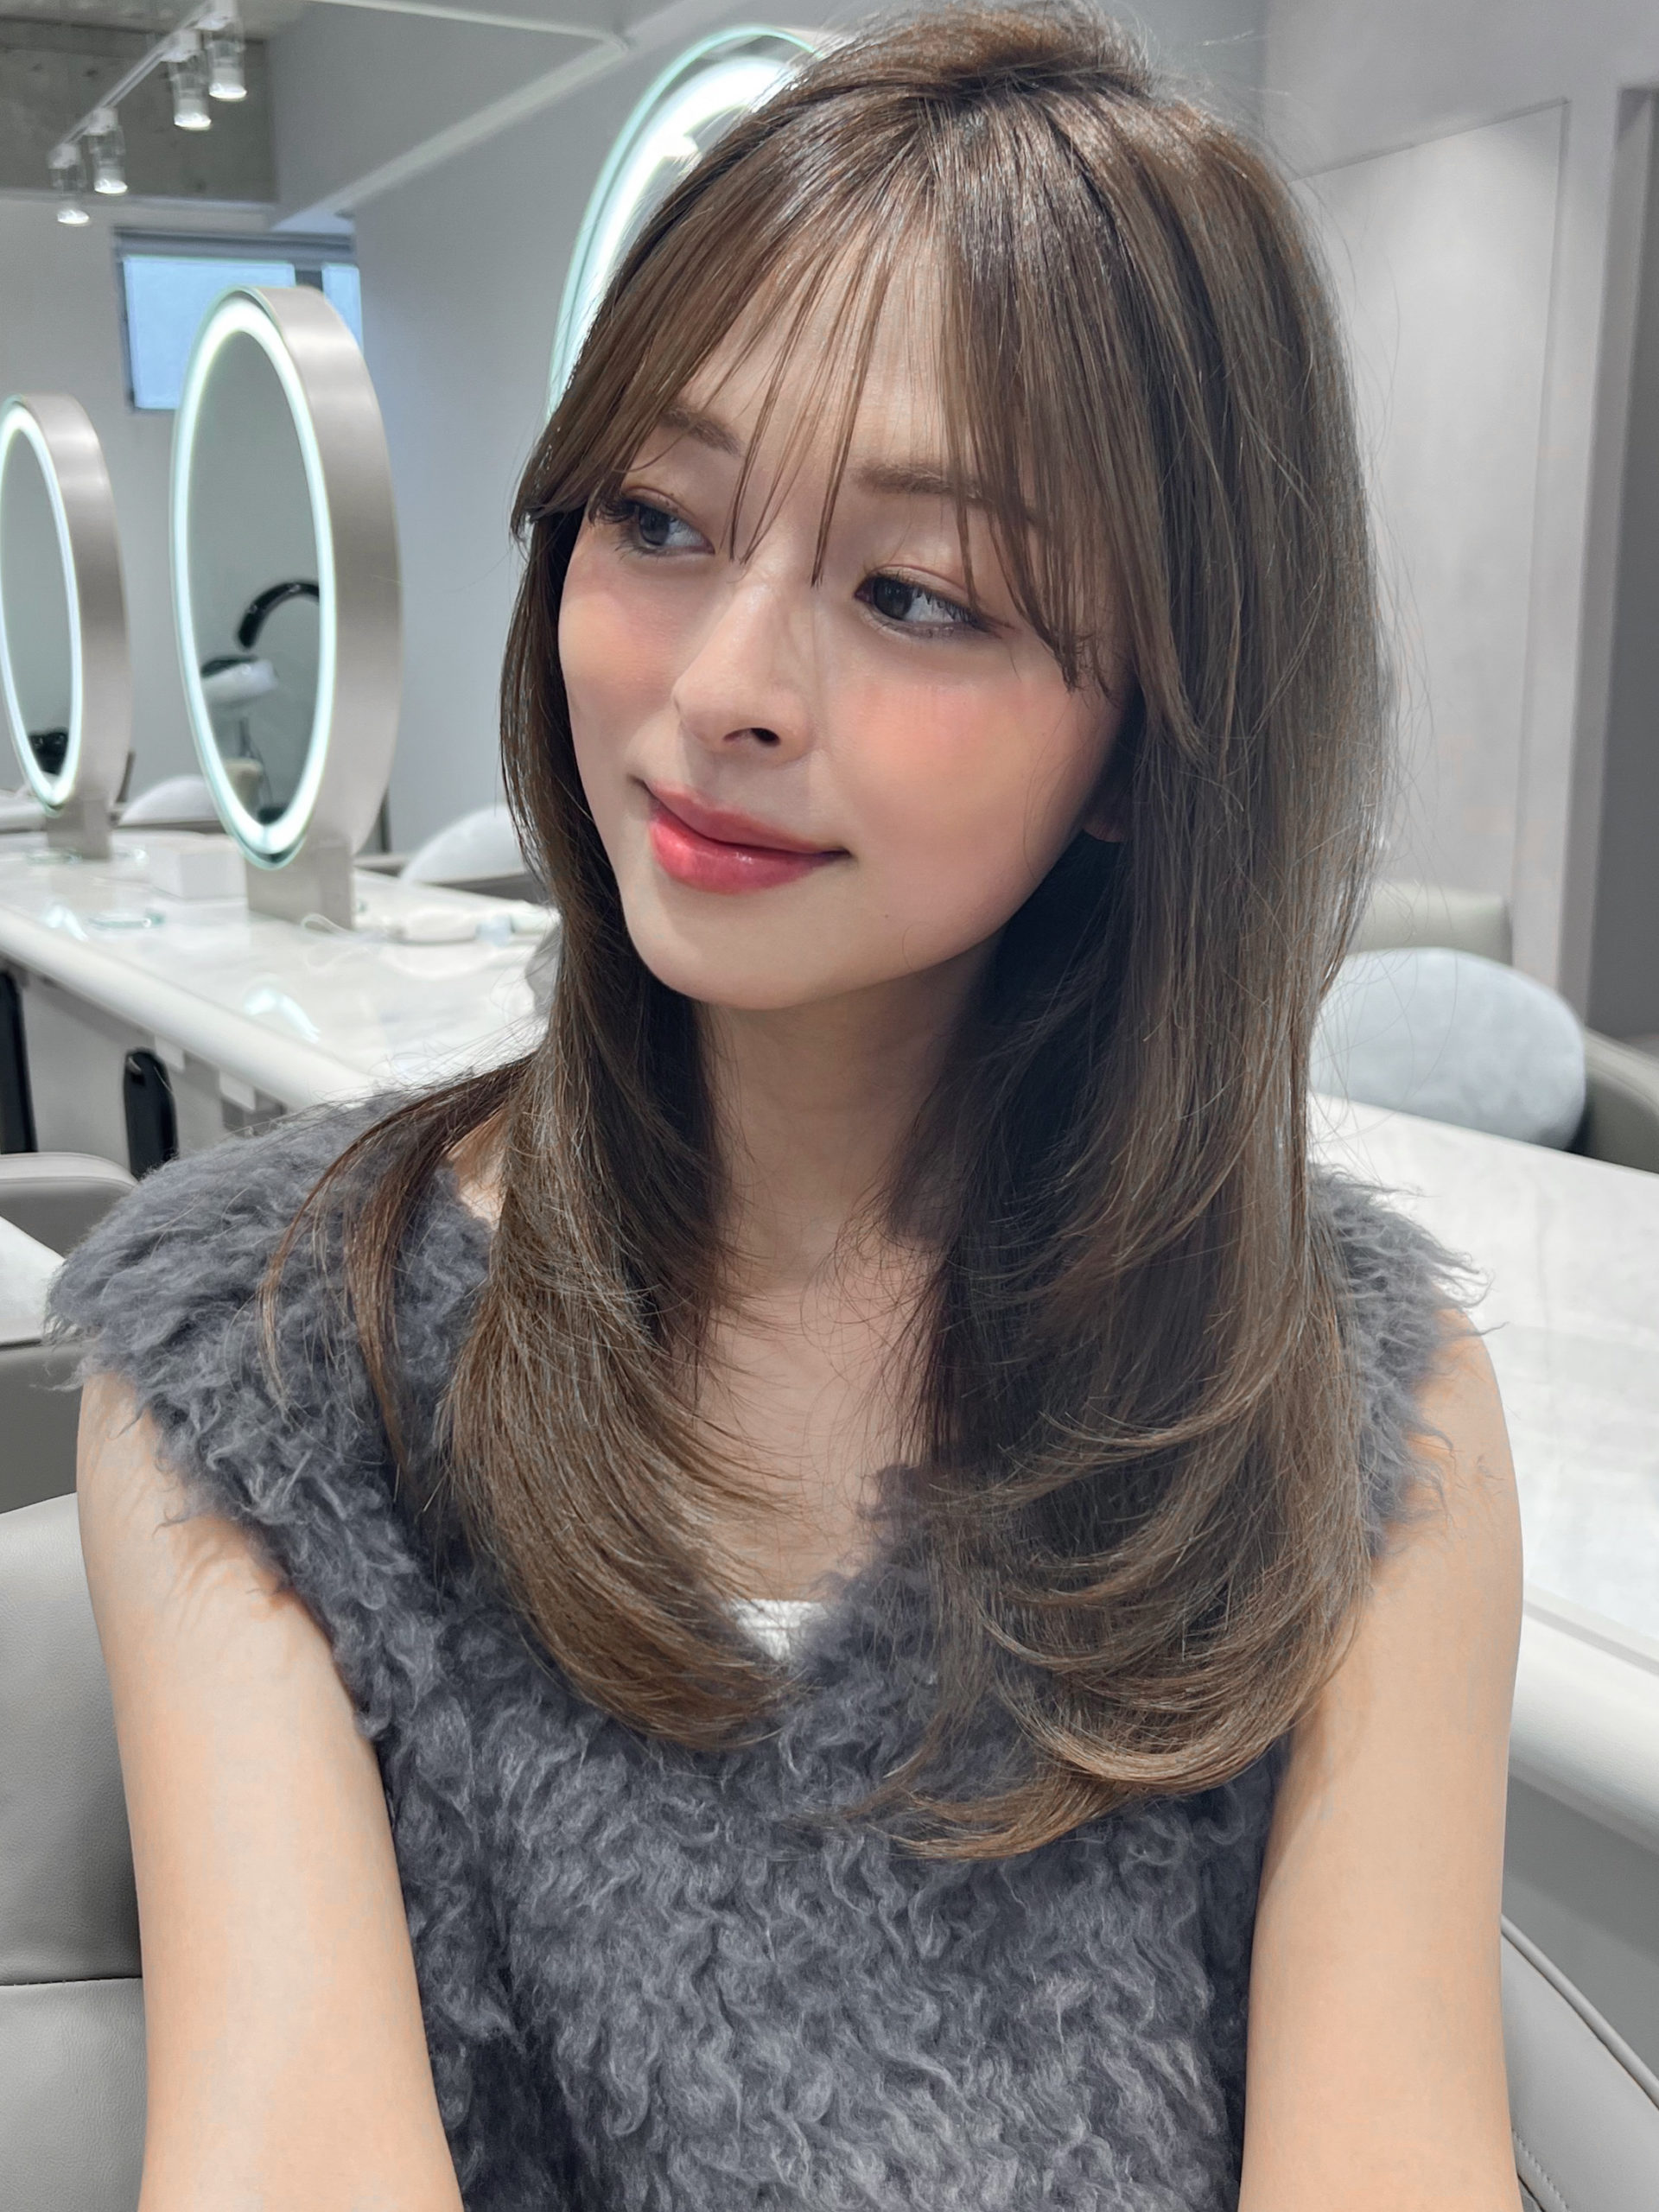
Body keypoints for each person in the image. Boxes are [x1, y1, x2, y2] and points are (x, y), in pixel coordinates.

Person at [58, 8, 1523, 2208]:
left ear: (1152, 735)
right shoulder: (267, 1360)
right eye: (657, 516)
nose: (723, 685)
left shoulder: (1348, 1410)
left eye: (913, 591)